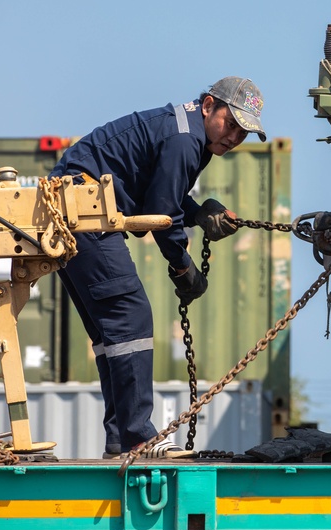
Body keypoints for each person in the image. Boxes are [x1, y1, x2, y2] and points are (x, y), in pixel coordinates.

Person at [51, 77, 266, 459]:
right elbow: (162, 213)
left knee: (111, 331)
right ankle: (137, 437)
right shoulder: (186, 140)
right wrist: (184, 269)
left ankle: (122, 439)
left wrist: (199, 213)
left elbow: (159, 192)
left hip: (75, 204)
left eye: (243, 132)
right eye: (230, 124)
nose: (233, 137)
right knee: (129, 314)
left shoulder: (183, 130)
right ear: (208, 106)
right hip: (83, 208)